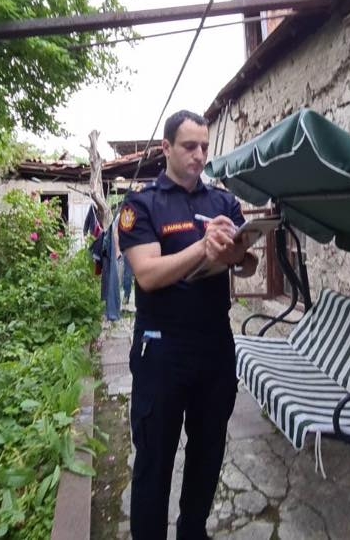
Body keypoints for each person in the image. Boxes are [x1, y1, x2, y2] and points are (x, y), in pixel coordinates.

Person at [120, 110, 258, 540]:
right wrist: (203, 247)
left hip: (214, 346)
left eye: (204, 147)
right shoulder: (141, 205)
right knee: (155, 459)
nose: (199, 155)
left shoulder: (222, 203)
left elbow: (247, 265)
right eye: (189, 146)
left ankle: (193, 531)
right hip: (161, 349)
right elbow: (148, 274)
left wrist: (236, 252)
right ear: (166, 148)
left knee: (208, 451)